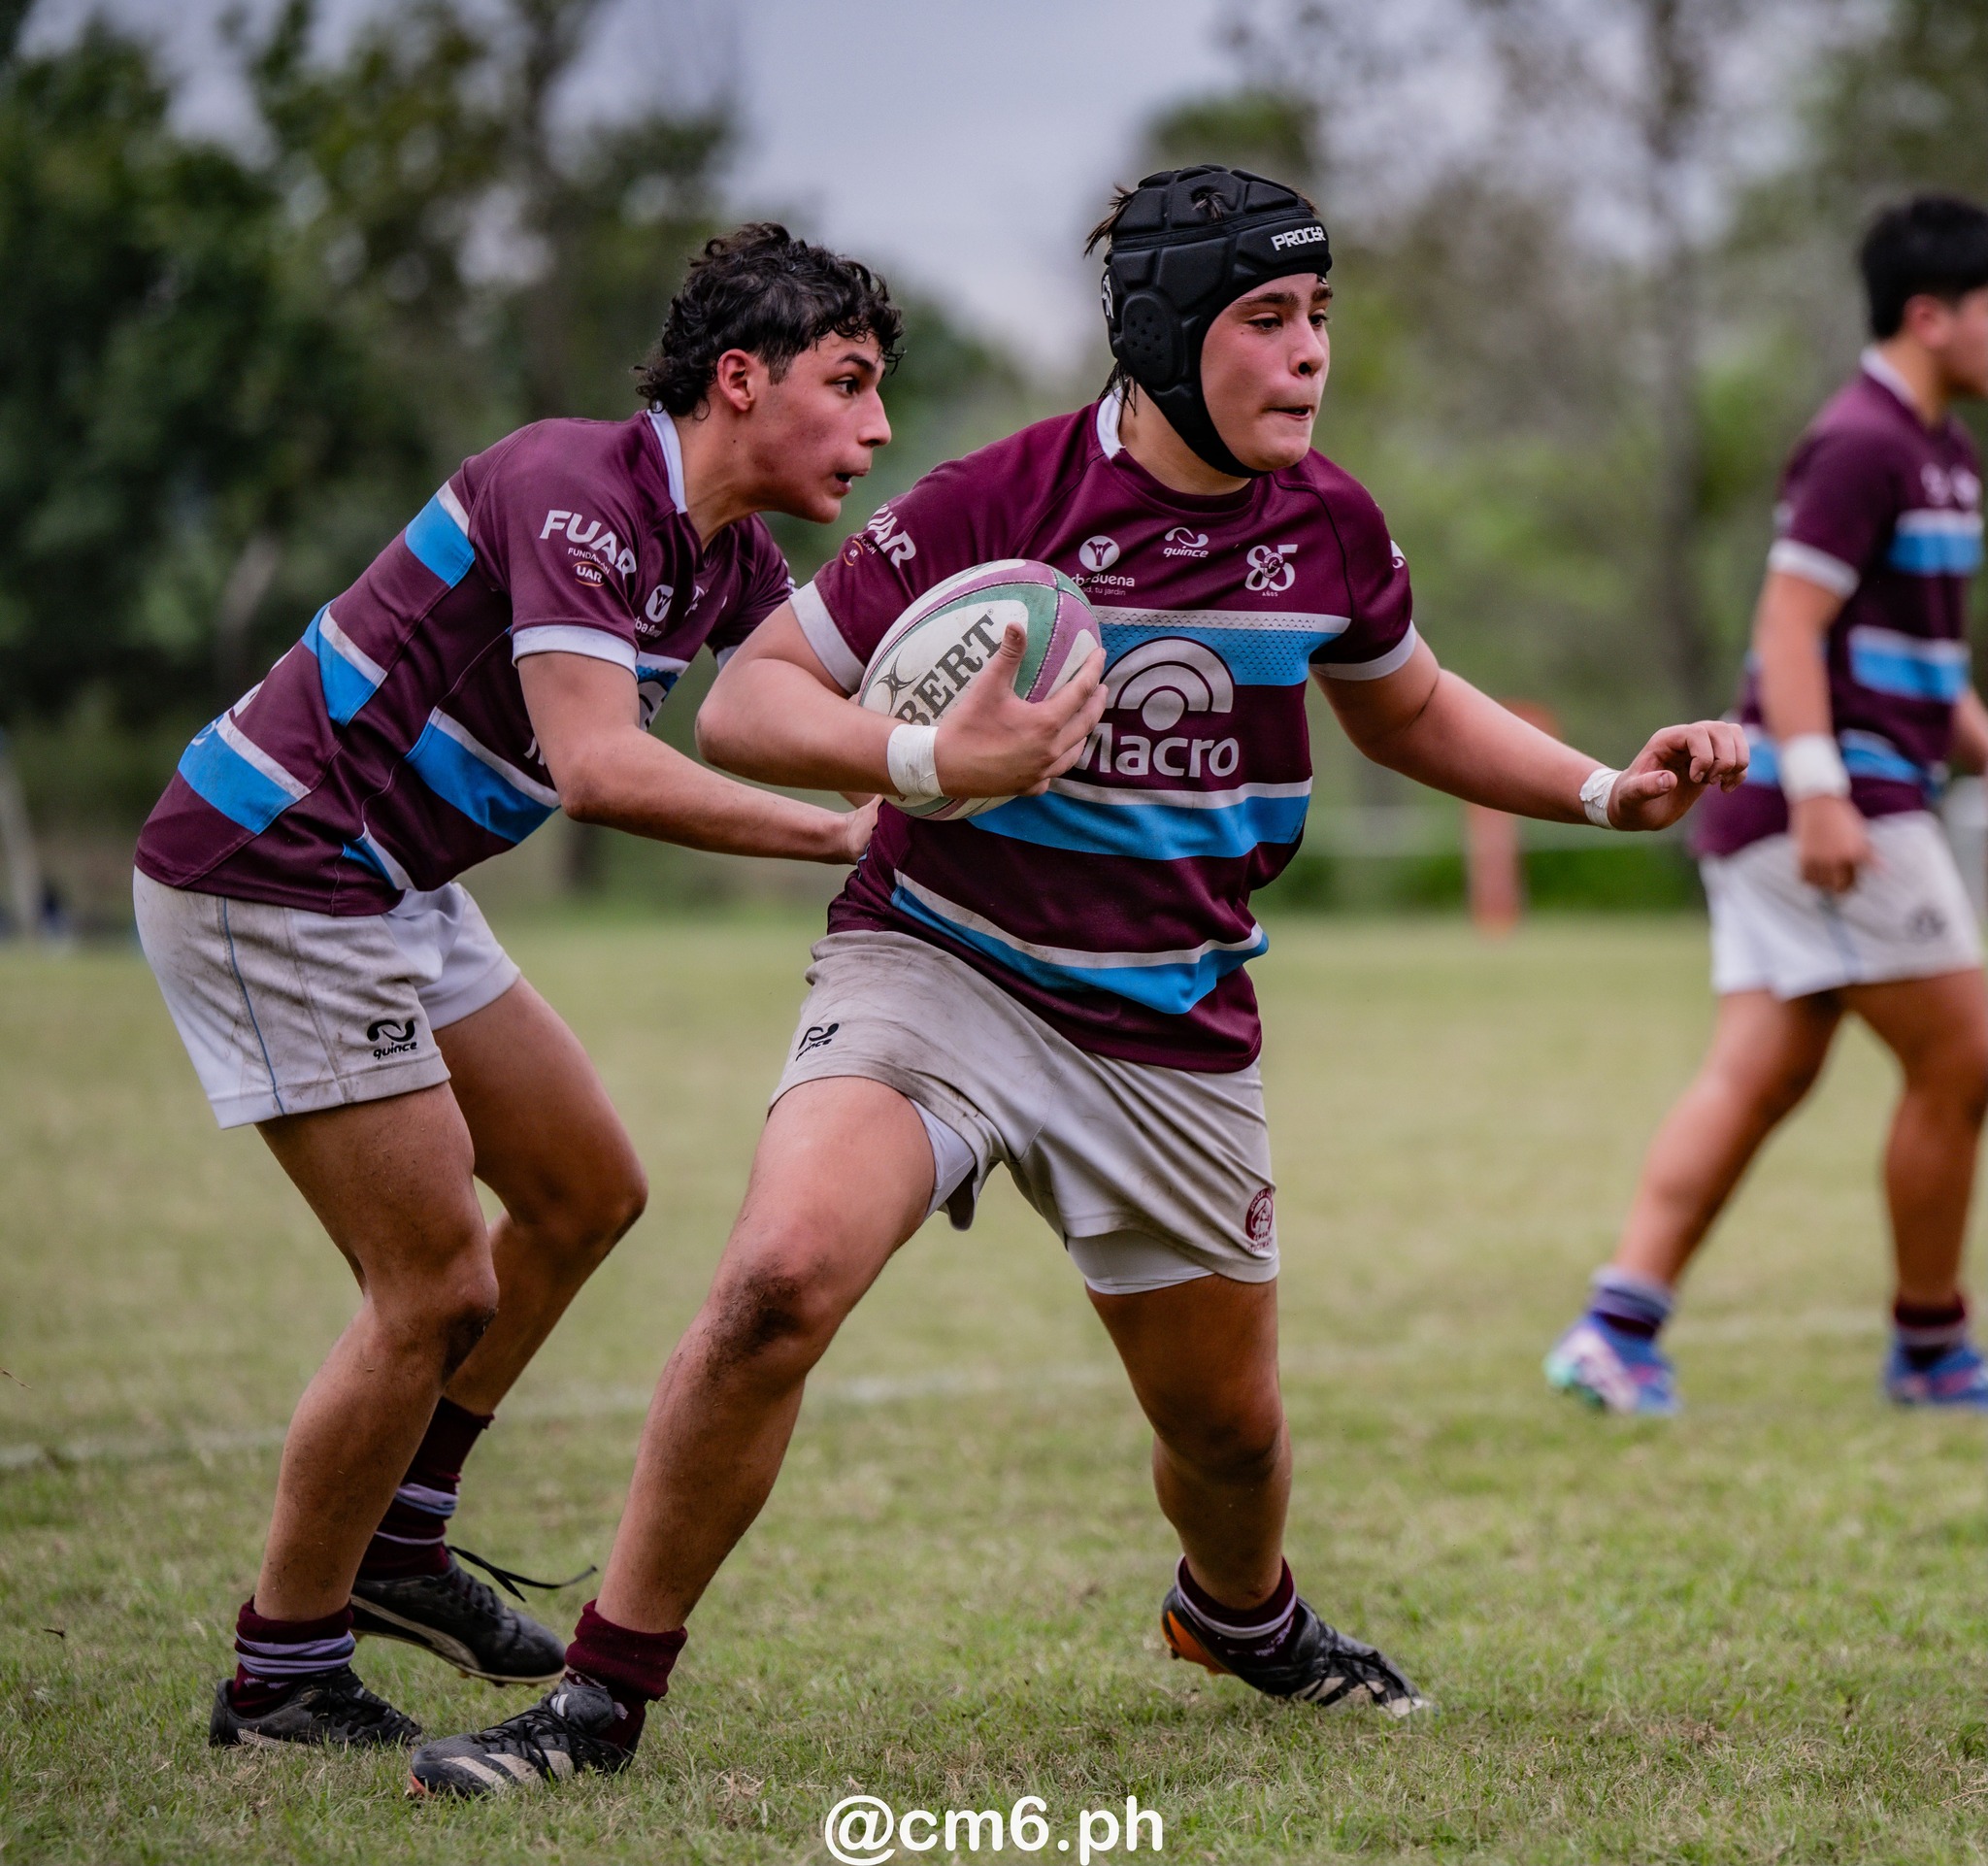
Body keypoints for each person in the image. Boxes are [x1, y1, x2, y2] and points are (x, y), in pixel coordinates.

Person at [408, 165, 1747, 1796]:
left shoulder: (1325, 526)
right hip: (940, 965)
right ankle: (598, 1700)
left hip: (1170, 1023)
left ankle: (1238, 1613)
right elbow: (746, 703)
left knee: (1229, 1438)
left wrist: (1609, 791)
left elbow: (1407, 706)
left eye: (1319, 318)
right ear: (1173, 335)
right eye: (1268, 319)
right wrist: (927, 753)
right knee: (776, 1283)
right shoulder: (995, 505)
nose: (1309, 356)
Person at [131, 223, 896, 1749]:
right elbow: (604, 767)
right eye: (850, 383)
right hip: (271, 863)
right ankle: (278, 1674)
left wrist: (971, 742)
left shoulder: (728, 556)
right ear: (740, 380)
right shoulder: (575, 488)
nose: (876, 428)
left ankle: (401, 1538)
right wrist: (847, 831)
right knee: (435, 1286)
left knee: (583, 1191)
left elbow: (833, 708)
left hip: (386, 878)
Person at [1545, 194, 1988, 1417]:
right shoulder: (1860, 442)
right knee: (1964, 1049)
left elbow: (1923, 670)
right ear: (1929, 314)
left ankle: (1614, 1326)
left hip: (1830, 795)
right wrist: (1823, 795)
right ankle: (1932, 1344)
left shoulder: (1945, 452)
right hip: (1830, 806)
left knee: (1761, 1072)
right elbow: (1785, 629)